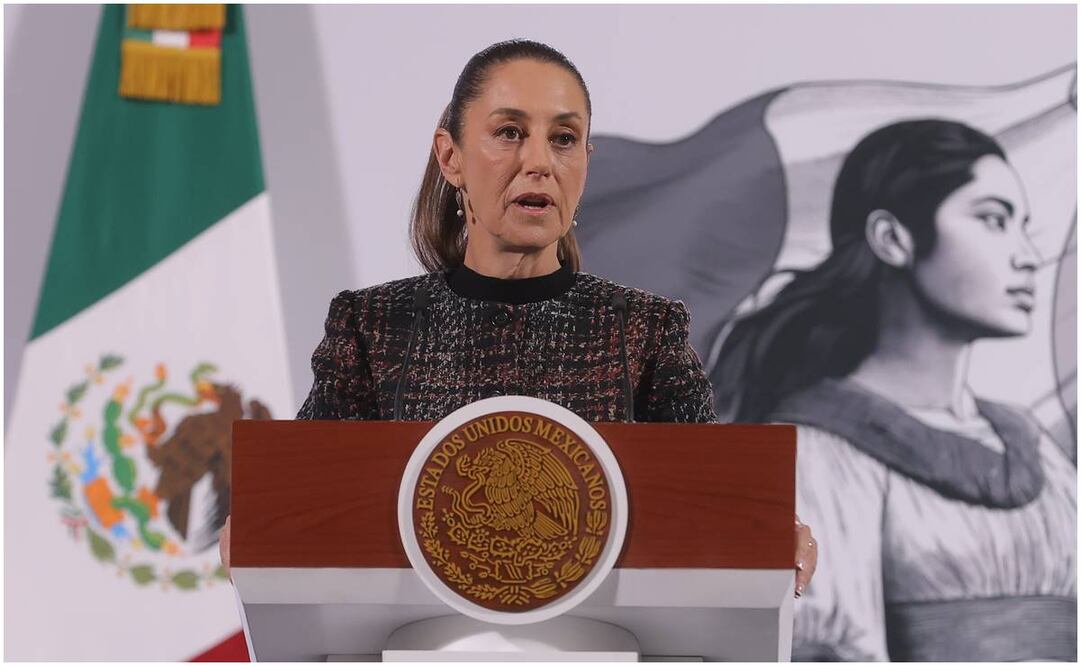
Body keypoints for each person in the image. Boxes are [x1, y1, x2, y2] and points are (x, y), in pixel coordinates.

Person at [220, 38, 817, 597]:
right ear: (450, 156)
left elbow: (716, 502)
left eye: (564, 139)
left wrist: (767, 531)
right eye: (509, 132)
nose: (539, 162)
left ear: (586, 161)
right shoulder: (372, 326)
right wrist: (258, 525)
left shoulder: (644, 331)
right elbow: (301, 502)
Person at [711, 119, 1076, 661]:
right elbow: (830, 649)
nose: (1026, 255)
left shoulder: (1034, 445)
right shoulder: (813, 452)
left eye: (1024, 227)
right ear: (892, 238)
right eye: (994, 221)